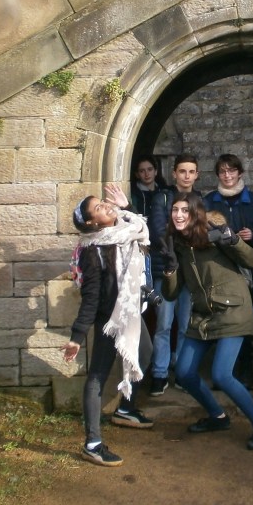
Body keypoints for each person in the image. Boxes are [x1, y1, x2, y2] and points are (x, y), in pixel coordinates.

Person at [163, 194, 253, 450]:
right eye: (175, 210)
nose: (178, 215)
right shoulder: (177, 244)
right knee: (184, 372)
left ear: (196, 213)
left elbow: (252, 260)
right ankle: (218, 416)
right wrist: (169, 268)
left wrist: (232, 239)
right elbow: (171, 293)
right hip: (203, 314)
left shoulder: (213, 233)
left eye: (185, 210)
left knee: (222, 375)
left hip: (233, 309)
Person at [62, 185, 155, 467]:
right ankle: (92, 444)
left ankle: (125, 409)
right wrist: (77, 336)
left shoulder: (128, 227)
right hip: (109, 319)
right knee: (97, 376)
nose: (105, 206)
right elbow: (91, 297)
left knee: (145, 353)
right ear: (93, 223)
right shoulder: (93, 251)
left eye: (102, 202)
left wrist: (126, 207)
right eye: (98, 208)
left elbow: (145, 232)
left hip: (130, 313)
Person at [204, 154, 253, 386]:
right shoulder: (209, 201)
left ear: (240, 173)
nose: (227, 175)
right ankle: (223, 373)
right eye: (223, 171)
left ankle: (245, 370)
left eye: (231, 171)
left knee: (244, 320)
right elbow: (201, 231)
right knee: (220, 321)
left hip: (246, 270)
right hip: (219, 269)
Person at [146, 153, 202, 395]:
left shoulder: (200, 200)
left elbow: (201, 232)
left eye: (191, 172)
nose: (186, 176)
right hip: (166, 269)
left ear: (197, 174)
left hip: (190, 271)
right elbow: (159, 230)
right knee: (164, 324)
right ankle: (159, 373)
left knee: (186, 325)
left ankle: (181, 371)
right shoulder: (162, 197)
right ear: (174, 173)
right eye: (182, 171)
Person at [128, 154, 167, 222]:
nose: (147, 174)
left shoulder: (164, 191)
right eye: (142, 171)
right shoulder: (133, 194)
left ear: (155, 171)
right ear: (137, 174)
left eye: (150, 169)